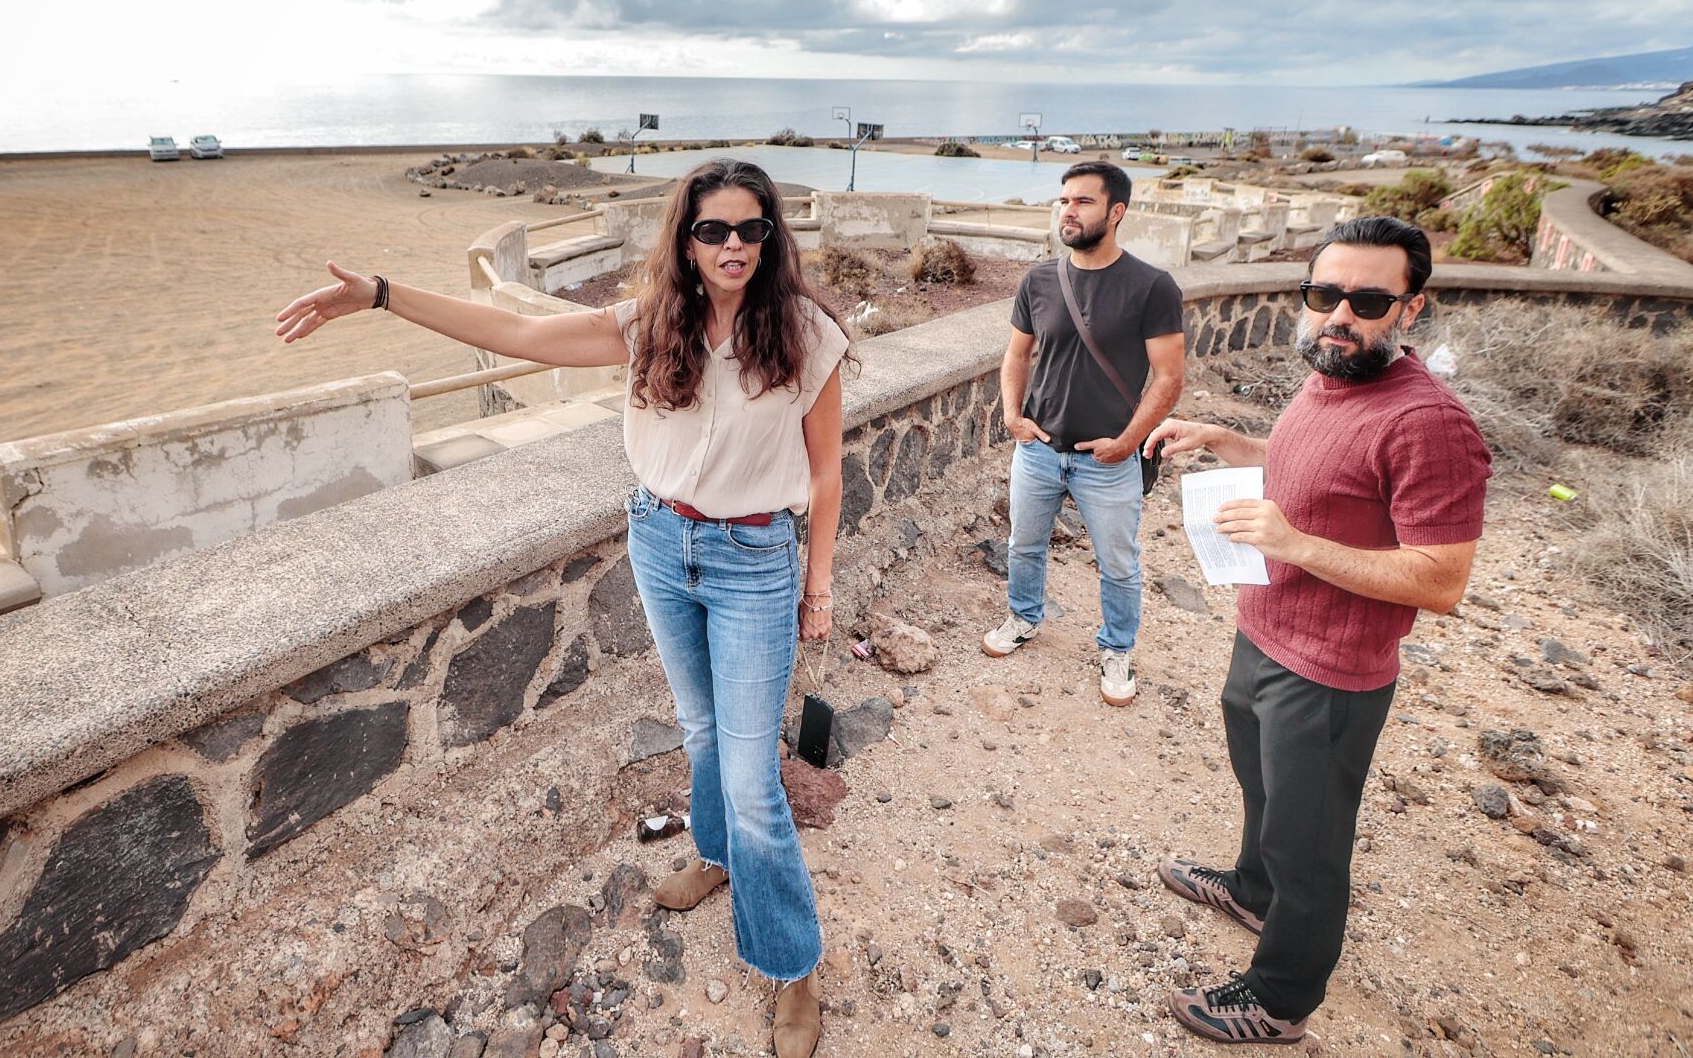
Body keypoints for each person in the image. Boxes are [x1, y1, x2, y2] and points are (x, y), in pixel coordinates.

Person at [274, 159, 850, 1058]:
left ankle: (791, 961)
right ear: (686, 240)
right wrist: (383, 294)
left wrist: (818, 586)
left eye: (750, 228)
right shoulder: (649, 323)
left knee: (750, 774)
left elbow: (825, 473)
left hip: (754, 559)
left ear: (770, 237)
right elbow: (515, 331)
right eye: (713, 229)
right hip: (661, 539)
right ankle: (716, 853)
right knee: (700, 728)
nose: (733, 244)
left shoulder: (806, 334)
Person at [1143, 215, 1490, 1045]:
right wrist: (1226, 440)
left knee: (1310, 842)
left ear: (1409, 308)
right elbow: (1314, 465)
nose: (1339, 313)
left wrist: (1296, 543)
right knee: (1264, 794)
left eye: (1367, 299)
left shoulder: (1430, 423)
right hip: (1264, 630)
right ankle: (1251, 890)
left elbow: (1442, 579)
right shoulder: (1331, 374)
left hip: (1332, 670)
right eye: (1324, 292)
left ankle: (1281, 996)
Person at [981, 160, 1185, 708]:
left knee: (1118, 564)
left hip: (1109, 459)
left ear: (1116, 212)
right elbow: (1016, 354)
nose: (1068, 211)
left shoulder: (1152, 287)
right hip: (1039, 449)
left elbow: (1169, 377)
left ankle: (1117, 648)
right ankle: (1024, 617)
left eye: (1083, 201)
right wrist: (1012, 415)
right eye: (1064, 200)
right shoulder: (1039, 280)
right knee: (1024, 545)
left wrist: (1127, 443)